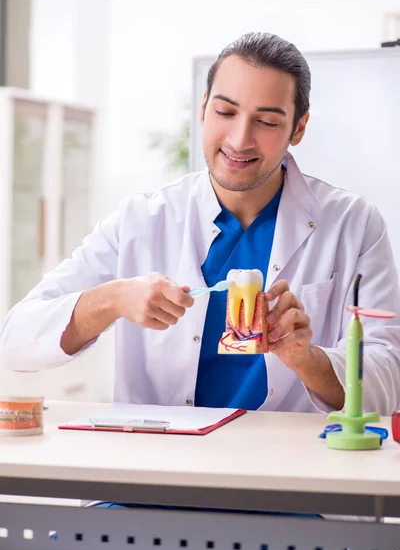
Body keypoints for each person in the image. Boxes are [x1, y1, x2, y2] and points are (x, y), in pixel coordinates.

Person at [1, 31, 400, 418]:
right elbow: (14, 340)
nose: (240, 140)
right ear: (204, 107)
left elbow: (390, 377)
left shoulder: (352, 224)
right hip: (159, 468)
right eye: (226, 112)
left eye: (266, 121)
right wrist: (112, 300)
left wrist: (306, 359)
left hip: (290, 467)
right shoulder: (142, 220)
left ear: (298, 128)